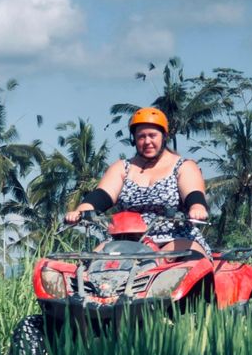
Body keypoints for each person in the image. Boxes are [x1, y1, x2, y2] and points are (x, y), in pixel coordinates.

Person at [65, 107, 212, 259]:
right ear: (134, 139)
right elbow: (102, 195)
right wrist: (80, 212)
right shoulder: (123, 168)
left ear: (164, 136)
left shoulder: (183, 166)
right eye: (141, 137)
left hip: (175, 237)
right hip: (127, 241)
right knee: (90, 263)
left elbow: (194, 194)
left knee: (190, 262)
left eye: (152, 135)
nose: (147, 141)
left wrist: (197, 208)